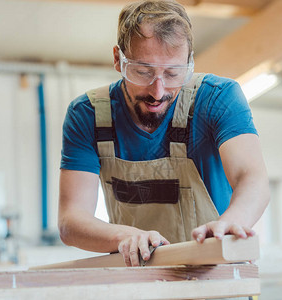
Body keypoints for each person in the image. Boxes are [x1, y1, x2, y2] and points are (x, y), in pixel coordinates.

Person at [58, 0, 270, 267]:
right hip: (141, 285)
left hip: (217, 280)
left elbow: (252, 179)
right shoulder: (87, 115)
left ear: (189, 62)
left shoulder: (218, 99)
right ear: (117, 59)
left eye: (173, 73)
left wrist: (231, 223)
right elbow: (71, 220)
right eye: (143, 72)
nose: (158, 92)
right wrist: (125, 236)